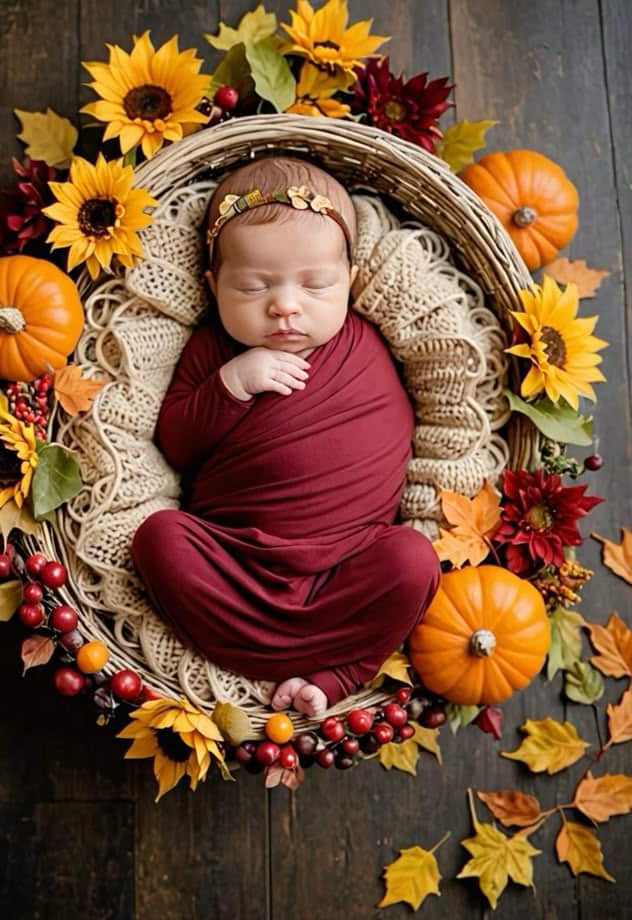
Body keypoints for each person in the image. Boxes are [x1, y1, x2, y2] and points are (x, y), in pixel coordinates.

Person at [131, 156, 441, 718]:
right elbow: (174, 443)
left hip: (346, 566)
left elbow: (423, 412)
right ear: (213, 285)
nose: (286, 306)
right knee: (159, 538)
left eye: (316, 284)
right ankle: (288, 660)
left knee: (414, 560)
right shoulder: (212, 351)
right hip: (235, 560)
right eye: (253, 288)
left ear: (348, 280)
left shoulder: (369, 342)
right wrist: (229, 385)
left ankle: (340, 671)